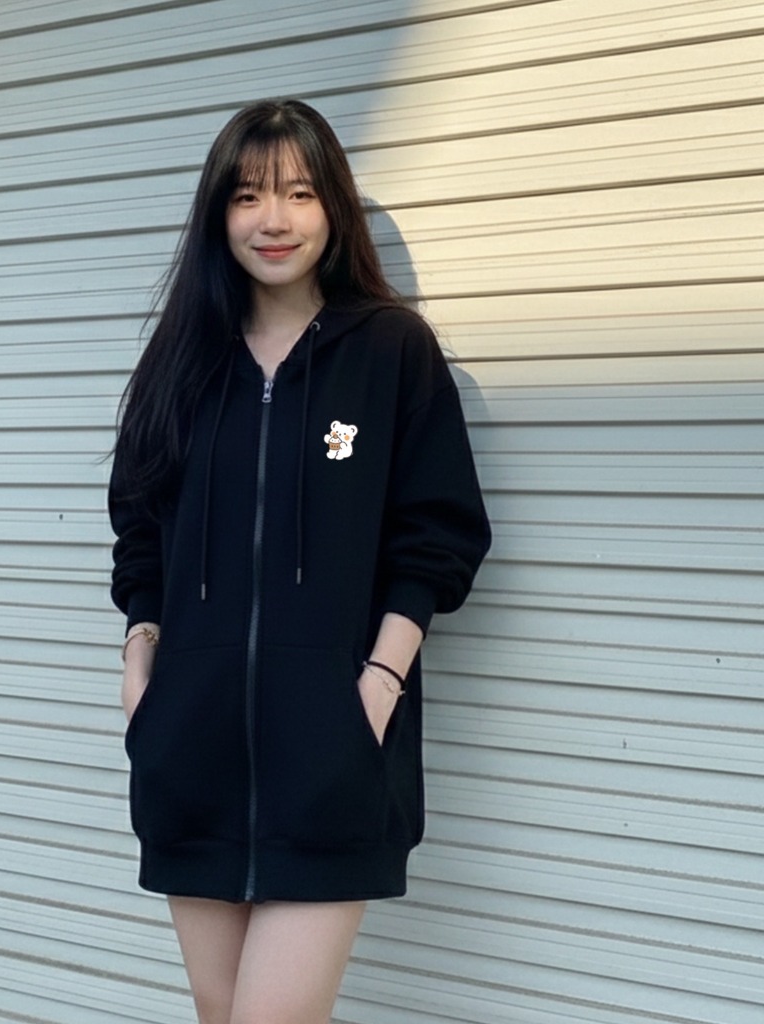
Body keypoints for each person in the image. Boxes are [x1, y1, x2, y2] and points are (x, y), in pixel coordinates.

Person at [108, 98, 491, 1024]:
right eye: (247, 196)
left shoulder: (391, 352)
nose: (272, 219)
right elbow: (141, 526)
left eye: (299, 193)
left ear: (334, 207)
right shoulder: (182, 360)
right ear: (219, 215)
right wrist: (141, 661)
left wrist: (378, 687)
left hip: (333, 757)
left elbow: (437, 535)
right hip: (190, 754)